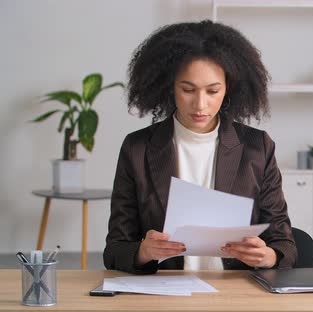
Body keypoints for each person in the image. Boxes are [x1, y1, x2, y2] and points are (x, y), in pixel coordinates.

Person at [103, 20, 297, 274]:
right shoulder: (137, 148)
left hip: (236, 294)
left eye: (212, 91)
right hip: (164, 293)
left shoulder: (257, 148)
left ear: (228, 89)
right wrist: (142, 252)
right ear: (169, 86)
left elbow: (285, 243)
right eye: (188, 89)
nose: (200, 105)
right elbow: (115, 251)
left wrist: (268, 256)